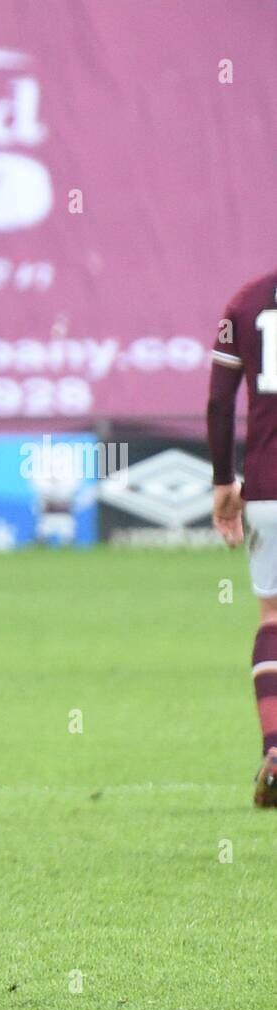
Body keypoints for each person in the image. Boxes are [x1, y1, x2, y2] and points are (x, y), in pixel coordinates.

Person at [207, 265, 277, 806]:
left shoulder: (247, 301)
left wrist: (223, 481)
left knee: (273, 619)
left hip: (268, 488)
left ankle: (275, 748)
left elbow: (218, 403)